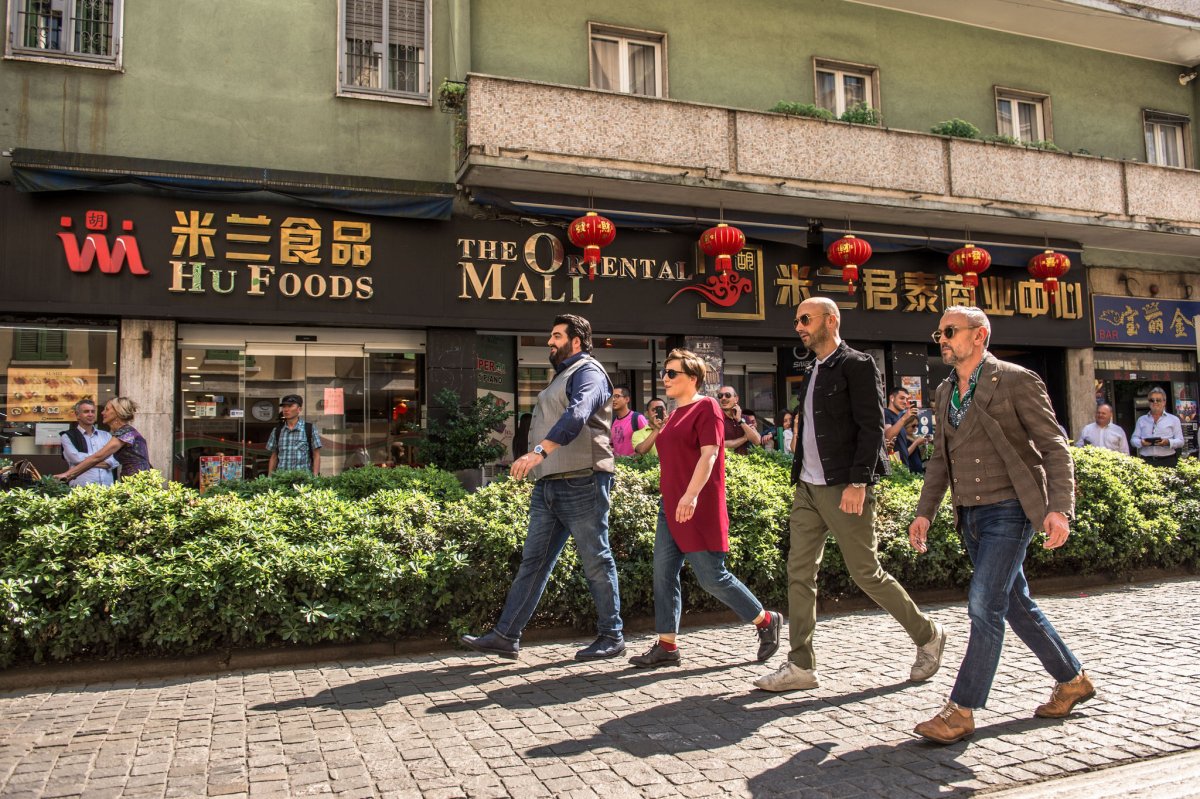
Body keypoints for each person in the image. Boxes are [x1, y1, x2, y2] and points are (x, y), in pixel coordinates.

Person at [908, 306, 1092, 745]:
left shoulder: (1015, 379)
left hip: (1011, 508)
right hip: (969, 513)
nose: (943, 339)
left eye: (950, 331)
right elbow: (940, 460)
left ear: (979, 335)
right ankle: (1072, 679)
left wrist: (1058, 508)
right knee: (1015, 603)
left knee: (984, 604)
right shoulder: (944, 390)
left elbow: (1054, 447)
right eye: (940, 333)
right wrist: (924, 512)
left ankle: (961, 709)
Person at [754, 297, 945, 693]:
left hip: (845, 487)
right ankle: (801, 664)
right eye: (796, 321)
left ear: (831, 320)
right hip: (807, 488)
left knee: (866, 573)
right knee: (799, 573)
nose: (799, 327)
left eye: (805, 319)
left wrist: (860, 482)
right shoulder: (811, 370)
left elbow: (872, 427)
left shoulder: (857, 365)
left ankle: (927, 634)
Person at [461, 314, 625, 661]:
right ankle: (506, 636)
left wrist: (538, 452)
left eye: (556, 336)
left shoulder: (590, 372)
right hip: (550, 485)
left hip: (583, 479)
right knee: (533, 562)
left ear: (576, 341)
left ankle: (612, 636)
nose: (549, 342)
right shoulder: (562, 376)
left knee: (596, 560)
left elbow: (578, 413)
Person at [629, 350, 782, 668]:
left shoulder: (707, 407)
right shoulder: (674, 413)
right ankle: (667, 646)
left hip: (696, 505)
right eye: (664, 373)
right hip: (669, 506)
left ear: (693, 378)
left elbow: (710, 454)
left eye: (672, 373)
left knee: (712, 577)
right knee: (663, 574)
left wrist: (691, 495)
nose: (665, 379)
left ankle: (766, 621)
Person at [55, 397, 152, 482]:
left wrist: (67, 475)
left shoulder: (125, 433)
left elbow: (97, 457)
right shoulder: (124, 432)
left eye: (106, 409)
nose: (102, 412)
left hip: (137, 480)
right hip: (135, 478)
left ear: (117, 412)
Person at [59, 399, 119, 487]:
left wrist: (85, 463)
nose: (90, 414)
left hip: (107, 488)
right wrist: (104, 460)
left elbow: (115, 460)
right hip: (82, 489)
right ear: (77, 415)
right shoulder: (68, 436)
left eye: (93, 411)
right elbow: (75, 459)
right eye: (86, 412)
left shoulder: (106, 435)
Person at [267, 394, 321, 475]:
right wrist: (269, 478)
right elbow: (274, 456)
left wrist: (315, 477)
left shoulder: (309, 429)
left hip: (303, 481)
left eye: (290, 406)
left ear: (299, 409)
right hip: (282, 480)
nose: (286, 409)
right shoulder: (277, 430)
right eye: (284, 406)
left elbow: (316, 456)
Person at [1131, 387, 1184, 467]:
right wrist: (1141, 443)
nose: (1155, 402)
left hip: (1167, 461)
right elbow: (1133, 440)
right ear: (1149, 402)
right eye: (1152, 400)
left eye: (1158, 400)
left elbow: (1180, 441)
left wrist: (1168, 442)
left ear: (1164, 402)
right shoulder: (1141, 420)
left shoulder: (1174, 419)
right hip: (1146, 461)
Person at [884, 388, 927, 474]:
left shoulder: (899, 417)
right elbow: (888, 436)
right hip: (894, 468)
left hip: (903, 467)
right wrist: (904, 418)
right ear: (892, 398)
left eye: (907, 399)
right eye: (902, 398)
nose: (905, 402)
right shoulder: (886, 413)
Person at [717, 387, 760, 455]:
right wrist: (745, 438)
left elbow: (757, 441)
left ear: (736, 399)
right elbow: (720, 445)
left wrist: (739, 420)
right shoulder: (716, 418)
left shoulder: (744, 418)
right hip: (725, 463)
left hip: (744, 463)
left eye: (727, 395)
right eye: (720, 396)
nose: (723, 398)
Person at [610, 386, 646, 457]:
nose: (613, 399)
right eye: (611, 397)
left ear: (627, 399)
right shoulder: (612, 421)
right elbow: (612, 445)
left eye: (617, 396)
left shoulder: (637, 418)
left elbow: (648, 441)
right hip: (618, 466)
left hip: (635, 466)